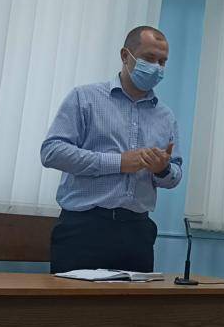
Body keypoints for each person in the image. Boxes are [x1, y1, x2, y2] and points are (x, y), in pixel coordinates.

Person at [41, 26, 182, 273]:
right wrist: (118, 162)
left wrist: (162, 169)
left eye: (162, 62)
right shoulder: (84, 98)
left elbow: (175, 175)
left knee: (133, 301)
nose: (157, 67)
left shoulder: (166, 117)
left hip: (137, 232)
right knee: (73, 299)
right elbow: (52, 151)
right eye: (149, 58)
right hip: (84, 228)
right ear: (125, 56)